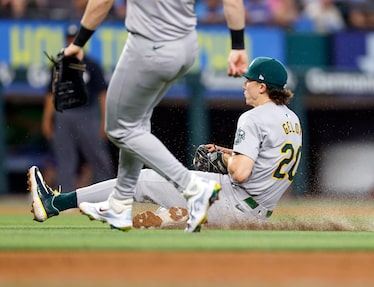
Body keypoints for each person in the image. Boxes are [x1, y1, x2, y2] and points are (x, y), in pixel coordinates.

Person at [29, 57, 302, 230]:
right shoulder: (291, 119)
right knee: (168, 201)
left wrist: (227, 161)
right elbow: (265, 159)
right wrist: (227, 152)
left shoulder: (252, 118)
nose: (245, 86)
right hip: (258, 211)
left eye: (249, 81)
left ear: (263, 87)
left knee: (141, 179)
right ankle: (173, 215)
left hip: (233, 201)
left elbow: (240, 171)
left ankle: (54, 203)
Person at [46, 0, 248, 233]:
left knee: (119, 128)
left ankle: (192, 188)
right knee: (136, 123)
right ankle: (120, 205)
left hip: (150, 45)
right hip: (187, 45)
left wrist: (79, 42)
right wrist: (238, 45)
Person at [41, 23, 115, 193]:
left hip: (86, 114)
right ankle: (65, 196)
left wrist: (105, 120)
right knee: (65, 157)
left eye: (76, 38)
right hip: (63, 114)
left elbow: (102, 94)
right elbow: (51, 94)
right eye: (70, 38)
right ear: (66, 41)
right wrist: (47, 119)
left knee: (97, 154)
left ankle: (108, 193)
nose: (73, 41)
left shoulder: (92, 64)